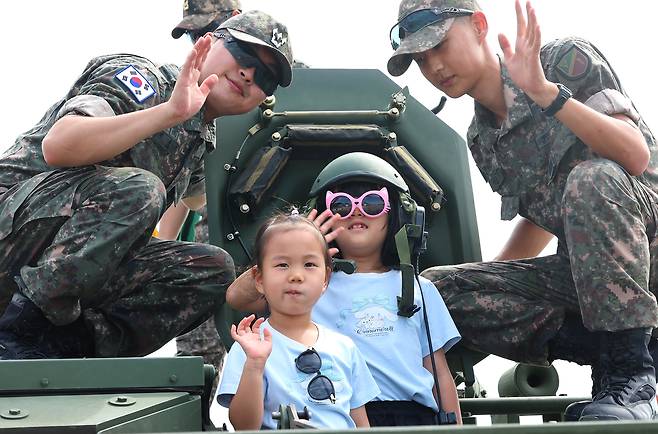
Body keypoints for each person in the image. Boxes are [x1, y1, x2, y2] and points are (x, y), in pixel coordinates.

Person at [387, 0, 658, 421]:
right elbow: (539, 220)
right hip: (590, 278)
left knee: (592, 179)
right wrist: (488, 286)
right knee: (436, 292)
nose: (434, 67)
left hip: (647, 250)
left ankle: (629, 375)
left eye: (439, 46)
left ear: (479, 26)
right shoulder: (481, 137)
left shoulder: (563, 60)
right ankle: (630, 350)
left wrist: (546, 94)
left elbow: (634, 155)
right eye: (421, 60)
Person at [0, 10, 294, 360]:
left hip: (60, 271)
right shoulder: (144, 81)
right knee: (142, 189)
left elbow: (197, 212)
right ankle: (19, 332)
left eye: (265, 77)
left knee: (212, 268)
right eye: (244, 55)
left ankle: (71, 346)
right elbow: (59, 145)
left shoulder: (201, 142)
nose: (248, 74)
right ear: (211, 40)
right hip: (14, 234)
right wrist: (170, 112)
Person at [227, 153, 462, 426]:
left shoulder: (420, 288)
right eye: (341, 206)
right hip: (338, 414)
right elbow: (237, 297)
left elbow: (438, 371)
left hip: (413, 416)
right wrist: (302, 241)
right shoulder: (312, 284)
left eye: (373, 203)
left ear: (396, 216)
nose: (358, 210)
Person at [157, 0, 245, 399]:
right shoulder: (191, 96)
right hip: (211, 246)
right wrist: (158, 246)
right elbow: (180, 189)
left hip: (275, 238)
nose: (203, 41)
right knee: (197, 367)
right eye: (195, 34)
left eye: (213, 31)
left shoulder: (279, 81)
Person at [217, 213, 378, 429]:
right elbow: (244, 426)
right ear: (259, 279)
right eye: (282, 265)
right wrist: (255, 365)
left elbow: (360, 423)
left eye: (310, 264)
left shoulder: (345, 347)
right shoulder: (250, 348)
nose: (296, 275)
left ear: (325, 280)